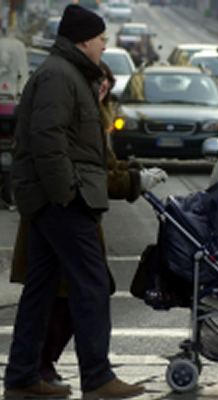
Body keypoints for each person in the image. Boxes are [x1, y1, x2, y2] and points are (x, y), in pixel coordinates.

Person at [3, 5, 163, 399]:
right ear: (85, 40)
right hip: (62, 203)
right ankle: (98, 377)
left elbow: (77, 147)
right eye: (102, 38)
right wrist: (66, 195)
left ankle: (22, 377)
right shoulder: (61, 76)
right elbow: (48, 142)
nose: (105, 44)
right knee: (90, 285)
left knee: (40, 288)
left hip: (52, 201)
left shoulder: (68, 74)